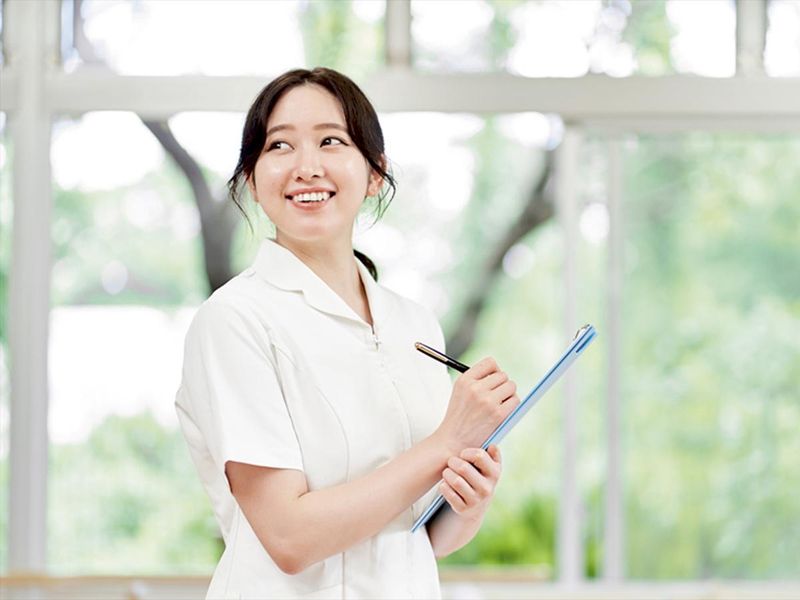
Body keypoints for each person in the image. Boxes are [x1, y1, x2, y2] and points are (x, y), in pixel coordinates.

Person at [174, 67, 520, 599]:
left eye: (331, 141)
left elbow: (420, 538)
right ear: (251, 180)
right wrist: (445, 443)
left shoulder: (415, 324)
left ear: (375, 172)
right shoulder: (235, 320)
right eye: (279, 145)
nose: (306, 167)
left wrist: (468, 501)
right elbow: (288, 537)